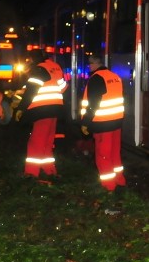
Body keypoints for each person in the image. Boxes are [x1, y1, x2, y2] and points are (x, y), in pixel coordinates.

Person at [12, 49, 67, 181]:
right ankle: (49, 170)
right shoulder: (54, 66)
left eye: (29, 59)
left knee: (35, 143)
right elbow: (63, 86)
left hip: (42, 110)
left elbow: (32, 90)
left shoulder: (39, 69)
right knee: (47, 142)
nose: (28, 62)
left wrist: (21, 108)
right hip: (55, 109)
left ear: (34, 58)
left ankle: (31, 173)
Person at [80, 53, 125, 192]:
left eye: (89, 64)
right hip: (116, 122)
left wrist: (85, 122)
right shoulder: (114, 76)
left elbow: (93, 103)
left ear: (94, 64)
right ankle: (120, 181)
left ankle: (108, 186)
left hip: (102, 123)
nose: (89, 67)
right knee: (114, 154)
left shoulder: (96, 78)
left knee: (103, 156)